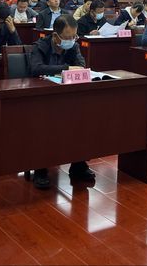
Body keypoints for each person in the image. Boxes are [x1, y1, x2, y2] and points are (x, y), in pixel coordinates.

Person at [28, 15, 95, 189]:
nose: (71, 40)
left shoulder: (73, 46)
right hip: (42, 98)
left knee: (83, 119)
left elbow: (81, 65)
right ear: (55, 36)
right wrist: (65, 68)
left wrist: (70, 69)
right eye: (67, 37)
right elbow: (36, 68)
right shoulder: (40, 46)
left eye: (74, 36)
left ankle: (78, 164)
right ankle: (40, 168)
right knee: (45, 123)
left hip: (67, 96)